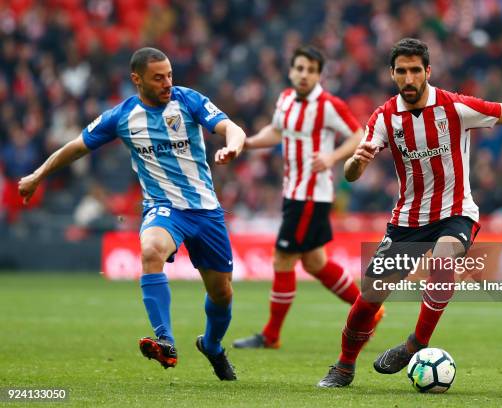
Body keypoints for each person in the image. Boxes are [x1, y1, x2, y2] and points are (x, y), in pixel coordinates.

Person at [317, 38, 502, 387]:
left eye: (414, 71)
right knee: (370, 298)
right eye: (401, 71)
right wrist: (354, 163)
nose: (408, 78)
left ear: (427, 71)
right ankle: (344, 366)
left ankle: (416, 344)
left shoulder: (454, 107)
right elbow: (351, 173)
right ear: (392, 74)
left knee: (443, 264)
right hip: (407, 221)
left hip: (456, 213)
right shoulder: (384, 118)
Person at [18, 47, 246, 381]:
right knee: (150, 249)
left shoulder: (189, 100)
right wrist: (38, 175)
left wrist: (233, 146)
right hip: (164, 209)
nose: (168, 82)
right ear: (136, 80)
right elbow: (76, 147)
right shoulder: (121, 116)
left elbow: (232, 127)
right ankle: (165, 340)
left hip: (206, 210)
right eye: (158, 78)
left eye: (169, 75)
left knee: (222, 293)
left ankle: (211, 346)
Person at [233, 46, 384, 349]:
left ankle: (271, 335)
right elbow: (276, 132)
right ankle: (372, 310)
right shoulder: (286, 99)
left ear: (318, 74)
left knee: (283, 258)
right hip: (294, 192)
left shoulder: (329, 105)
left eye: (311, 70)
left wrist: (332, 157)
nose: (304, 74)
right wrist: (246, 144)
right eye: (299, 68)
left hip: (311, 194)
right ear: (291, 71)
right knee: (315, 262)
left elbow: (358, 135)